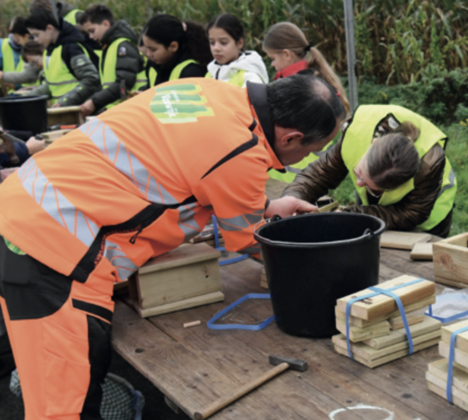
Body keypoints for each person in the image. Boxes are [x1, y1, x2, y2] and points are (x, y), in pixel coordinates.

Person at [0, 74, 344, 418]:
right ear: (291, 137)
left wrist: (266, 208)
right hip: (52, 250)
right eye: (308, 152)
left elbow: (183, 168)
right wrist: (321, 268)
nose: (299, 161)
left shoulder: (209, 91)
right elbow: (249, 239)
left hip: (23, 208)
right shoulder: (239, 148)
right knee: (64, 406)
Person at [282, 104, 457, 237]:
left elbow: (410, 213)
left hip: (427, 219)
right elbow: (320, 174)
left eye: (370, 186)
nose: (358, 184)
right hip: (379, 212)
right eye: (360, 174)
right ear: (373, 144)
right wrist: (292, 199)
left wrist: (351, 216)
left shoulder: (429, 162)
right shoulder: (356, 132)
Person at [262, 21, 350, 182]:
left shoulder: (297, 89)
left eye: (273, 58)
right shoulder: (314, 81)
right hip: (310, 173)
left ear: (287, 54)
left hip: (292, 173)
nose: (272, 64)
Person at [18, 8, 100, 108]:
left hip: (78, 112)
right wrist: (26, 99)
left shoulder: (71, 48)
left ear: (50, 28)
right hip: (64, 112)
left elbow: (91, 79)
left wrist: (64, 101)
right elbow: (52, 85)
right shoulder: (49, 51)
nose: (35, 40)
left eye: (36, 35)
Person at [78, 4, 142, 116]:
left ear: (106, 24)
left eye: (92, 31)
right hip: (117, 111)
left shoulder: (122, 46)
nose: (90, 37)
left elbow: (123, 83)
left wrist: (94, 102)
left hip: (128, 112)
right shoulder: (109, 47)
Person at [142, 14, 211, 89]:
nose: (148, 54)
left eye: (153, 50)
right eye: (146, 48)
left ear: (173, 46)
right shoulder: (152, 64)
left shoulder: (191, 71)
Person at [206, 13, 268, 87]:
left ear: (240, 43)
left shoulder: (250, 77)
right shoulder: (210, 72)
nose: (216, 48)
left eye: (223, 42)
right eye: (212, 43)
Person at [0, 17, 38, 91]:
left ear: (27, 35)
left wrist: (4, 76)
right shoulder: (2, 45)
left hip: (30, 94)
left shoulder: (33, 49)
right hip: (10, 95)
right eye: (16, 38)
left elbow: (30, 75)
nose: (19, 42)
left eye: (19, 39)